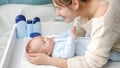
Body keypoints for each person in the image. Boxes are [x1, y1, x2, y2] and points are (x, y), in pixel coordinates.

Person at [25, 0, 120, 68]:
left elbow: (93, 63)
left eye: (59, 8)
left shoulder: (103, 21)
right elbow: (77, 33)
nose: (57, 14)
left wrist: (47, 60)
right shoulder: (85, 7)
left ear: (75, 3)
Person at [26, 31, 90, 58]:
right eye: (44, 42)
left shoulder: (54, 40)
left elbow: (63, 34)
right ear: (46, 53)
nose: (46, 38)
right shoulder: (56, 54)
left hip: (87, 41)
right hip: (87, 49)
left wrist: (70, 32)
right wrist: (71, 38)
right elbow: (68, 54)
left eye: (43, 37)